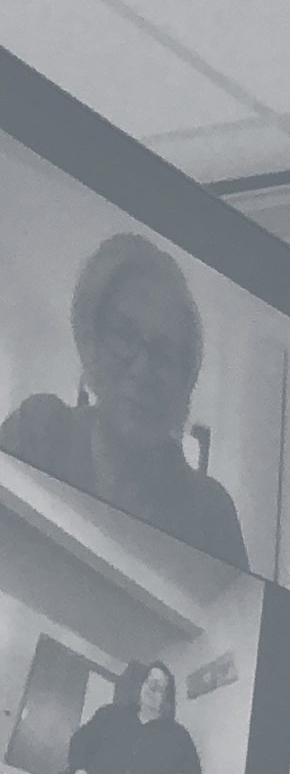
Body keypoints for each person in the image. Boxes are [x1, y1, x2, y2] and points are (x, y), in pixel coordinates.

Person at [1, 234, 248, 570]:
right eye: (125, 334)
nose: (142, 369)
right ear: (92, 340)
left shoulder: (211, 515)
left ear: (184, 378)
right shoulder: (39, 429)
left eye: (162, 353)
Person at [63, 661, 202, 774]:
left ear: (167, 699)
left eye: (159, 687)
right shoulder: (110, 713)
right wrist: (79, 770)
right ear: (141, 685)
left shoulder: (181, 739)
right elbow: (80, 741)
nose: (152, 688)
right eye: (149, 681)